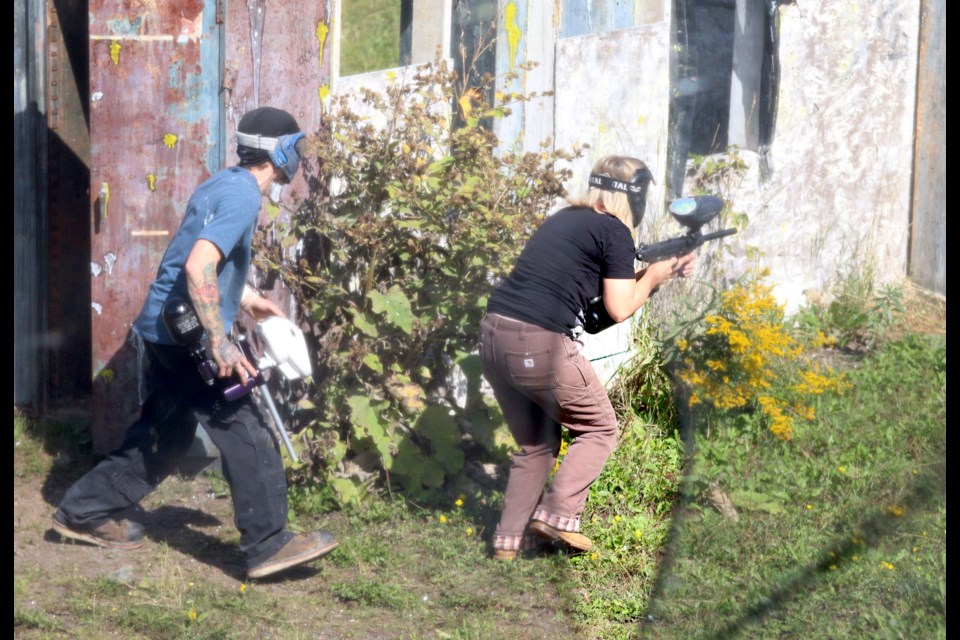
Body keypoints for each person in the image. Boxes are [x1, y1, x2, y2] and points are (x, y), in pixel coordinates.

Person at [51, 107, 339, 580]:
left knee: (166, 435)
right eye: (297, 147)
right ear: (281, 151)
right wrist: (220, 341)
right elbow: (197, 266)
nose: (300, 157)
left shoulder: (222, 183)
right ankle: (267, 545)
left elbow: (196, 259)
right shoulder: (243, 197)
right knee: (247, 431)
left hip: (164, 331)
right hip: (189, 338)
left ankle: (83, 511)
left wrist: (246, 299)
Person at [478, 155, 696, 560]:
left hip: (494, 336)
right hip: (539, 343)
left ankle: (507, 546)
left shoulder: (565, 218)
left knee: (537, 444)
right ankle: (557, 516)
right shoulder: (614, 231)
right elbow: (617, 309)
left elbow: (593, 317)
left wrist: (651, 278)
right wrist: (651, 277)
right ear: (635, 198)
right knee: (599, 428)